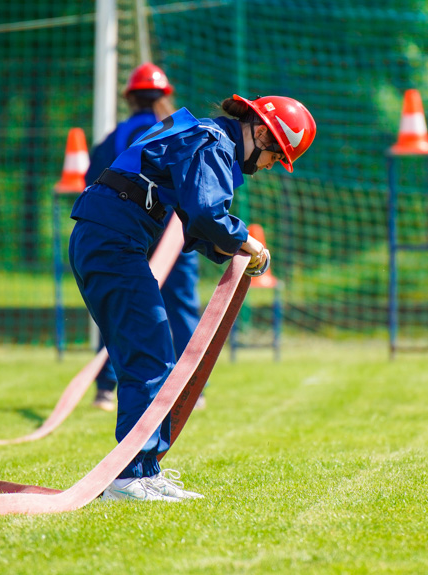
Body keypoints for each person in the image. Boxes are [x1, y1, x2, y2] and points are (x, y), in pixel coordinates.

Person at [69, 92, 316, 501]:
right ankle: (132, 477)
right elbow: (204, 212)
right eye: (276, 156)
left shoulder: (203, 136)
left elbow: (191, 219)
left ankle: (143, 471)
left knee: (148, 352)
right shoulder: (212, 142)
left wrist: (232, 247)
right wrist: (246, 242)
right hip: (113, 240)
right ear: (260, 133)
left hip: (108, 235)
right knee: (148, 354)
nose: (269, 167)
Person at [84, 63, 206, 413]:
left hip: (126, 232)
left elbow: (94, 182)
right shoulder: (179, 130)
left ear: (129, 98)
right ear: (165, 96)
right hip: (173, 233)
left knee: (119, 310)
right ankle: (191, 388)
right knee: (180, 307)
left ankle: (106, 388)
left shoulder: (114, 138)